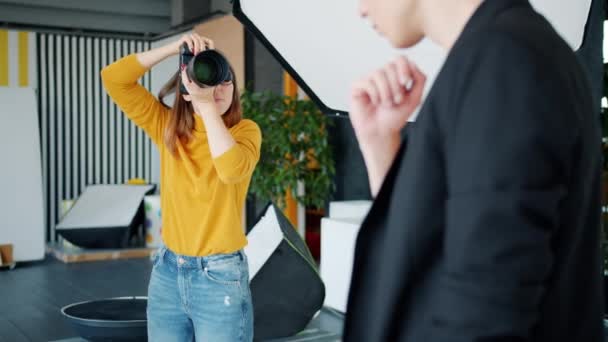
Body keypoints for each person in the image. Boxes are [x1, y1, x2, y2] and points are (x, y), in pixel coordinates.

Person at [345, 0, 603, 341]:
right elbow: (439, 251)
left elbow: (484, 314)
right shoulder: (495, 55)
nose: (361, 9)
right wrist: (381, 147)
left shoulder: (504, 62)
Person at [101, 32, 260, 342]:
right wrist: (175, 48)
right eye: (208, 80)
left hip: (220, 277)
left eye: (225, 81)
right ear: (186, 88)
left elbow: (229, 170)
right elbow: (113, 78)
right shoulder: (167, 128)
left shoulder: (246, 131)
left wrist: (207, 106)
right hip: (167, 271)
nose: (217, 88)